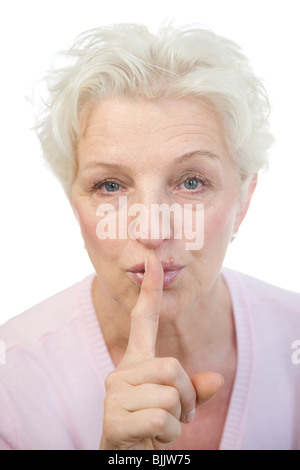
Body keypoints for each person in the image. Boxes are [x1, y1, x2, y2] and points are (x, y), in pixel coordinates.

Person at [0, 22, 299, 451]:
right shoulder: (11, 385)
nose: (152, 230)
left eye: (192, 182)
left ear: (243, 203)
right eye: (110, 186)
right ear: (74, 207)